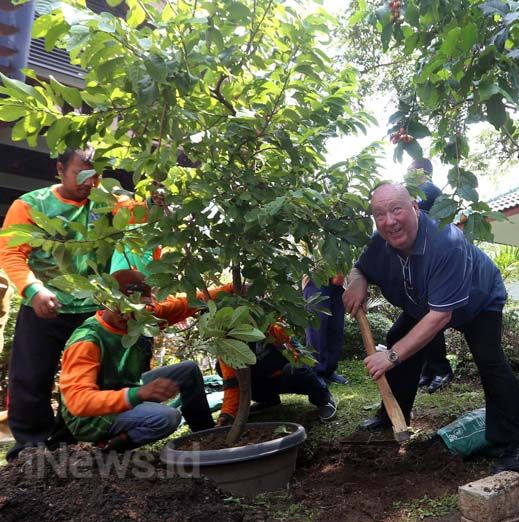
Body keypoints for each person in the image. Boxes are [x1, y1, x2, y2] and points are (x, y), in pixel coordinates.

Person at [343, 183, 519, 472]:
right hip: (425, 303)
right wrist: (357, 281)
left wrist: (391, 356)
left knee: (489, 360)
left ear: (415, 208)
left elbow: (440, 317)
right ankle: (392, 416)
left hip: (477, 300)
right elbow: (360, 267)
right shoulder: (379, 244)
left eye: (396, 209)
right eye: (380, 214)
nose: (389, 221)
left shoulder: (446, 242)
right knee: (399, 337)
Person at [0, 148, 103, 460]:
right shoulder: (30, 205)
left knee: (87, 379)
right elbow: (12, 253)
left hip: (90, 308)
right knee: (30, 376)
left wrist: (154, 202)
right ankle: (30, 446)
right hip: (43, 304)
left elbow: (139, 216)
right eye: (81, 174)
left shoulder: (105, 205)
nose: (89, 182)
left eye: (95, 176)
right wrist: (33, 289)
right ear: (60, 169)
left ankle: (69, 441)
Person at [59, 270, 221, 450]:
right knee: (167, 418)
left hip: (126, 389)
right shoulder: (87, 340)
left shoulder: (141, 320)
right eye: (124, 307)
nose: (130, 315)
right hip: (91, 418)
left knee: (188, 370)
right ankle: (110, 446)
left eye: (138, 308)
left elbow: (185, 305)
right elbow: (78, 402)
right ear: (108, 301)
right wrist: (139, 394)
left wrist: (232, 290)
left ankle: (207, 435)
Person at [217, 323, 337, 426]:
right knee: (220, 368)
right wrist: (227, 414)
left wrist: (277, 334)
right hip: (262, 382)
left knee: (297, 367)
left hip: (286, 376)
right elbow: (232, 383)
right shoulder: (228, 348)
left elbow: (301, 355)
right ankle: (268, 400)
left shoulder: (271, 327)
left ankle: (324, 400)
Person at [407, 158, 453, 393]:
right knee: (421, 318)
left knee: (429, 318)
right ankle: (428, 369)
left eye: (409, 171)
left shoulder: (426, 191)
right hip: (427, 261)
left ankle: (441, 369)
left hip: (430, 262)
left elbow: (417, 225)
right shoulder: (434, 192)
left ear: (420, 172)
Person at [302, 274, 348, 385]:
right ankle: (314, 372)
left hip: (341, 282)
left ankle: (328, 371)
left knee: (336, 327)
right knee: (317, 327)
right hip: (316, 277)